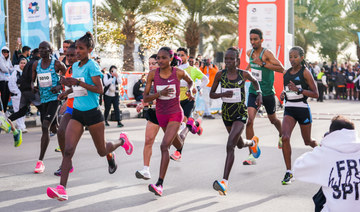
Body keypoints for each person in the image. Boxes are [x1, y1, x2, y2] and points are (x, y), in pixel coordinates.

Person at [47, 32, 133, 201]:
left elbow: (99, 89)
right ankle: (62, 188)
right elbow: (80, 88)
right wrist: (68, 91)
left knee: (102, 151)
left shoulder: (92, 66)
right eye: (76, 48)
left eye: (81, 48)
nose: (77, 51)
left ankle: (122, 141)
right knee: (69, 150)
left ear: (90, 50)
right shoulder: (77, 66)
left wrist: (76, 83)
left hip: (93, 114)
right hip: (77, 114)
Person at [210, 47, 262, 195]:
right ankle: (252, 143)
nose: (228, 62)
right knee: (239, 144)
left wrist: (259, 94)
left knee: (230, 145)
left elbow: (255, 82)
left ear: (237, 60)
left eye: (231, 59)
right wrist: (222, 93)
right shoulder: (220, 75)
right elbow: (212, 94)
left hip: (240, 114)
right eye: (226, 59)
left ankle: (224, 182)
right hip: (227, 114)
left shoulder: (243, 74)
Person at [143, 47, 193, 196]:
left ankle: (159, 184)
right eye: (158, 58)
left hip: (175, 114)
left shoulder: (178, 72)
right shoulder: (152, 74)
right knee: (177, 143)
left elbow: (191, 82)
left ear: (170, 59)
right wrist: (159, 94)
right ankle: (186, 131)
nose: (160, 61)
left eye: (163, 58)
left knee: (164, 146)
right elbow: (145, 98)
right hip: (161, 115)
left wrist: (191, 90)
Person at [293, 115, 359, 212]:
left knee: (322, 195)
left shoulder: (325, 154)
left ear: (331, 134)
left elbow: (297, 168)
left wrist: (322, 147)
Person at [243, 28, 285, 165]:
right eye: (251, 39)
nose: (253, 42)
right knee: (249, 121)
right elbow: (251, 66)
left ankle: (281, 134)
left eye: (255, 39)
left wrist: (263, 64)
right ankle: (251, 155)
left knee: (273, 120)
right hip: (254, 92)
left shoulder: (266, 53)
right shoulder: (249, 53)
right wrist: (244, 73)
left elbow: (281, 68)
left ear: (261, 40)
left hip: (267, 93)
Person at [279, 46, 319, 185]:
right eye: (290, 56)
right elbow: (286, 91)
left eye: (295, 56)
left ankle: (322, 151)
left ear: (302, 58)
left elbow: (316, 94)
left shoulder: (306, 72)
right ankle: (289, 172)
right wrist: (283, 94)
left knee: (307, 141)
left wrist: (299, 89)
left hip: (302, 109)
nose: (292, 59)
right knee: (285, 137)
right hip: (289, 109)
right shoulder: (286, 73)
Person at [31, 41, 67, 174]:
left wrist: (59, 87)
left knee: (45, 126)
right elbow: (33, 79)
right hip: (43, 100)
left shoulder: (57, 64)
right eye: (40, 49)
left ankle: (40, 162)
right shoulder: (36, 64)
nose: (41, 51)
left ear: (50, 50)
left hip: (54, 99)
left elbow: (66, 77)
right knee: (54, 128)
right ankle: (66, 157)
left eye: (44, 49)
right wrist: (33, 86)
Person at [169, 47, 209, 161]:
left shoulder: (192, 69)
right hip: (176, 101)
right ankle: (196, 124)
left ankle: (178, 152)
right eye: (178, 55)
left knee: (182, 125)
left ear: (187, 56)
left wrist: (196, 87)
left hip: (189, 100)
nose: (180, 57)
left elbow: (206, 80)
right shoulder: (174, 69)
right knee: (183, 124)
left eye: (182, 55)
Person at [53, 43, 77, 176]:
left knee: (101, 147)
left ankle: (110, 154)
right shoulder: (68, 70)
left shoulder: (84, 68)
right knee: (61, 132)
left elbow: (80, 87)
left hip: (87, 108)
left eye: (72, 55)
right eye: (67, 55)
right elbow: (69, 89)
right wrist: (64, 96)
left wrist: (65, 94)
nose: (69, 58)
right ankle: (67, 164)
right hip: (71, 107)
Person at [135, 54, 160, 180]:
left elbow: (162, 98)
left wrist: (146, 103)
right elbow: (148, 97)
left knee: (170, 144)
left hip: (167, 112)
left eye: (154, 63)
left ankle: (189, 127)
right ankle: (146, 170)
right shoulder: (149, 77)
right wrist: (142, 103)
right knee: (148, 140)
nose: (151, 65)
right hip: (154, 113)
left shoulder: (165, 77)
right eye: (149, 63)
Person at [8, 49, 42, 126]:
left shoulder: (29, 63)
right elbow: (33, 78)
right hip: (32, 91)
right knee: (43, 110)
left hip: (24, 91)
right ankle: (47, 129)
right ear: (39, 54)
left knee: (22, 111)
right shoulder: (37, 63)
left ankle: (7, 120)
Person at [8, 58, 28, 132]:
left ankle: (21, 125)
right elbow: (11, 84)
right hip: (17, 95)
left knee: (23, 111)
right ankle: (21, 127)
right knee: (18, 111)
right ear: (19, 64)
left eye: (24, 63)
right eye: (21, 63)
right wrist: (18, 92)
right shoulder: (15, 72)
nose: (23, 64)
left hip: (25, 96)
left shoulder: (27, 72)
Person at [0, 46, 13, 113]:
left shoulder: (9, 60)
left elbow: (12, 69)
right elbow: (3, 68)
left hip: (8, 80)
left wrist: (6, 69)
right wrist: (7, 69)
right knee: (3, 96)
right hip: (1, 80)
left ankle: (4, 110)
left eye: (7, 52)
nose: (5, 53)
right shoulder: (0, 59)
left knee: (7, 95)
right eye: (4, 52)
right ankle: (2, 110)